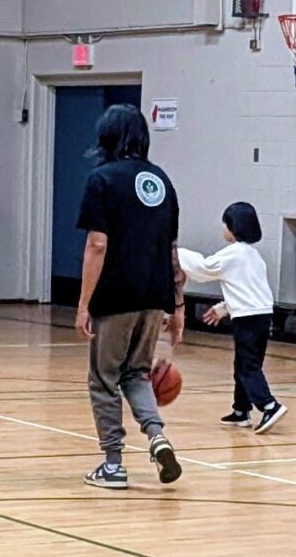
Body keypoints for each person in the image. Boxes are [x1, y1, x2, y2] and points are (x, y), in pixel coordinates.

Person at [73, 103, 184, 488]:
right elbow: (172, 249)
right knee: (136, 372)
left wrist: (84, 304)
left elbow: (97, 245)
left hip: (115, 294)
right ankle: (157, 437)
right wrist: (178, 305)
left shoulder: (102, 179)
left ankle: (113, 464)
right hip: (154, 295)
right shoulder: (162, 181)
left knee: (103, 379)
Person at [179, 201, 282, 432]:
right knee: (244, 364)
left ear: (233, 227)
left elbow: (204, 269)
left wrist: (175, 252)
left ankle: (269, 406)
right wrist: (222, 309)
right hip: (262, 315)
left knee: (247, 367)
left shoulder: (233, 254)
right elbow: (247, 291)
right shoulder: (254, 256)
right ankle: (241, 410)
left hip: (248, 319)